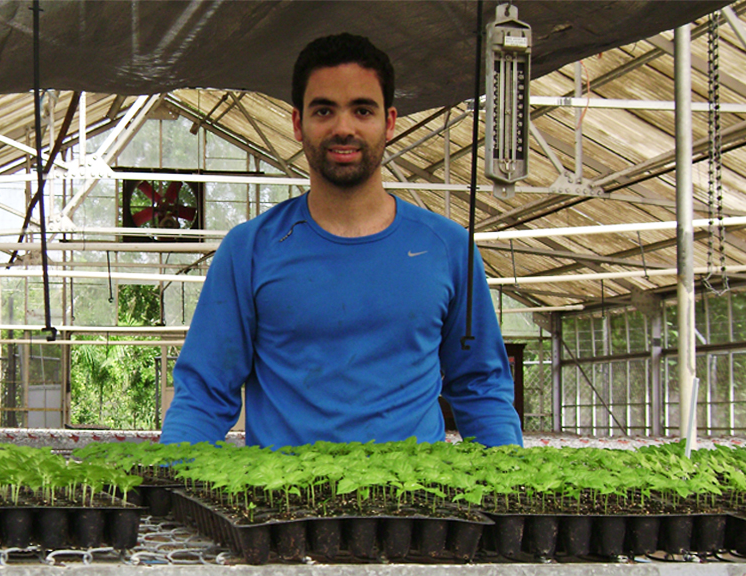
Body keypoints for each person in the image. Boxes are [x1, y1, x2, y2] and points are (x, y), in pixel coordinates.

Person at [160, 33, 522, 449]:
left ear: (389, 122)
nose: (343, 128)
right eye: (324, 111)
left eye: (362, 110)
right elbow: (203, 395)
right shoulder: (250, 250)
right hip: (280, 491)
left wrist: (509, 477)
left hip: (417, 490)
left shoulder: (449, 248)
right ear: (298, 123)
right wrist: (173, 475)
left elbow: (481, 388)